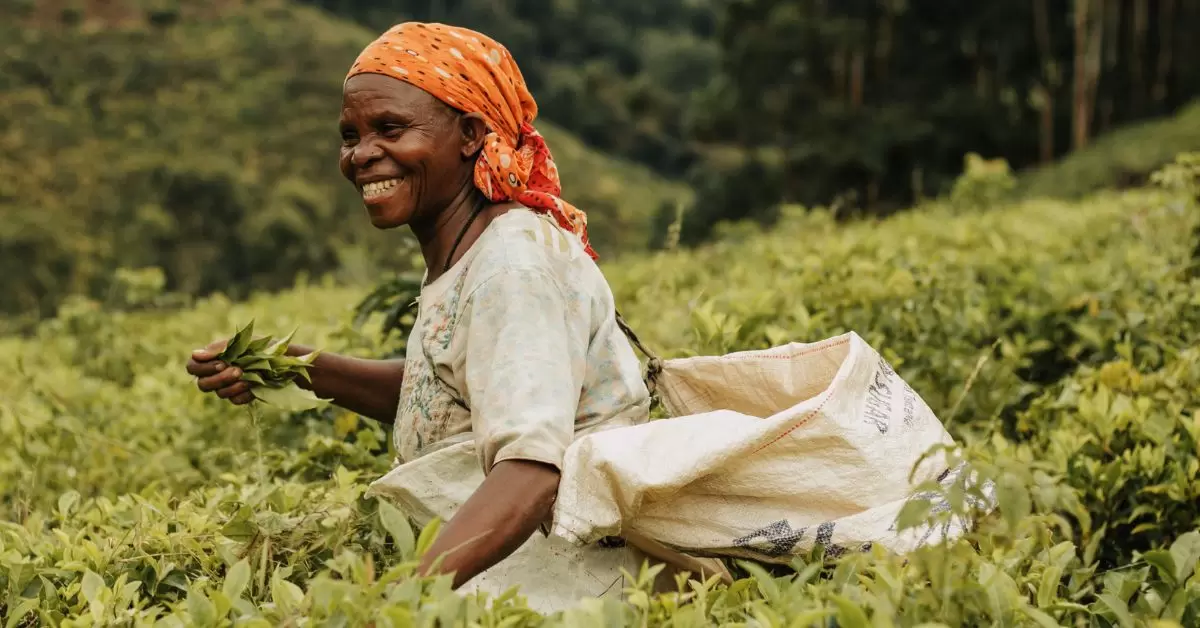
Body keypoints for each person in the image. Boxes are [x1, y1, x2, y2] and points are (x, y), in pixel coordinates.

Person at [185, 22, 654, 590]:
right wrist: (292, 366)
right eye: (350, 135)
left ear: (471, 134)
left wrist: (401, 599)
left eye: (390, 128)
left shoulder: (510, 268)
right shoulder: (474, 250)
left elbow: (531, 470)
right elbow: (450, 394)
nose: (362, 155)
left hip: (562, 586)